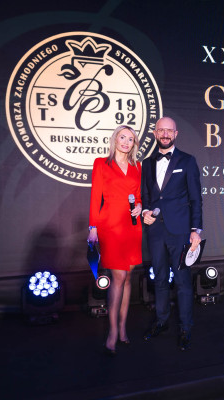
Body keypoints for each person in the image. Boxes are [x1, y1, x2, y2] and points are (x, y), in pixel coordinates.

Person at [141, 116, 203, 351]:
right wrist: (145, 211)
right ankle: (161, 321)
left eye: (169, 131)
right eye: (161, 130)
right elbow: (146, 196)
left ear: (176, 134)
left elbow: (196, 199)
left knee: (182, 281)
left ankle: (186, 327)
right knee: (159, 279)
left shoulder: (187, 161)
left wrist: (196, 230)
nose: (165, 134)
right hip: (155, 231)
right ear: (155, 133)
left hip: (180, 231)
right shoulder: (147, 164)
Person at [87, 125, 142, 355]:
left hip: (132, 227)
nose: (126, 142)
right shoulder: (101, 163)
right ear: (115, 140)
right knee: (118, 277)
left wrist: (139, 206)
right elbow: (95, 196)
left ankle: (122, 327)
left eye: (130, 139)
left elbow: (138, 196)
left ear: (134, 144)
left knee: (128, 278)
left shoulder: (137, 166)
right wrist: (92, 227)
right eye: (123, 137)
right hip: (110, 226)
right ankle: (111, 331)